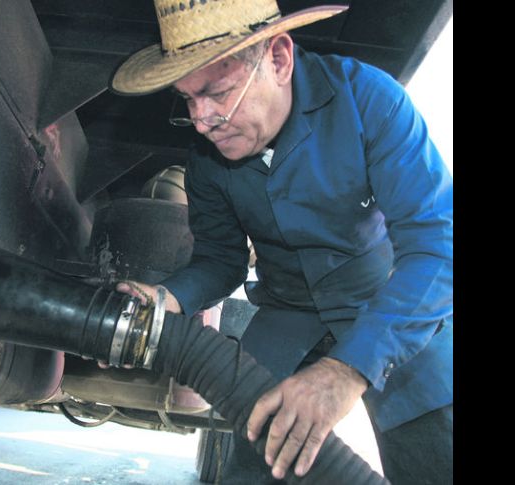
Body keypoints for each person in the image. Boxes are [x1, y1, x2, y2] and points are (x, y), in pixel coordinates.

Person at [110, 1, 452, 484]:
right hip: (287, 317)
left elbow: (438, 245)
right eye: (187, 98)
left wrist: (347, 369)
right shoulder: (207, 158)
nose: (203, 119)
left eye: (217, 92)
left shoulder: (369, 100)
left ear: (279, 59)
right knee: (253, 464)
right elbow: (219, 261)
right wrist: (170, 296)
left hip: (388, 309)